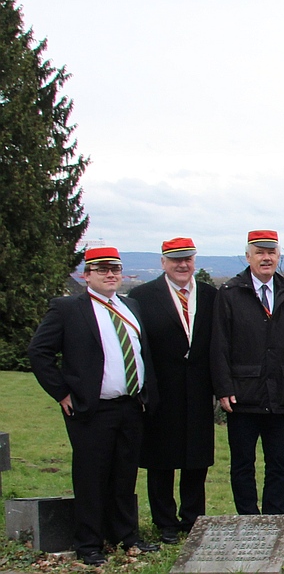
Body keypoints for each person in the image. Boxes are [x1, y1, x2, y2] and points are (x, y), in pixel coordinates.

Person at [28, 247, 160, 566]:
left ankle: (126, 535)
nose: (110, 274)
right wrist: (62, 392)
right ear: (86, 275)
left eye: (114, 269)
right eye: (101, 270)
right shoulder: (68, 308)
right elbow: (39, 353)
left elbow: (140, 353)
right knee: (91, 475)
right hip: (91, 408)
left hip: (131, 406)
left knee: (125, 474)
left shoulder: (131, 306)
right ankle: (89, 542)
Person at [210, 230, 284, 515]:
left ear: (278, 257)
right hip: (243, 394)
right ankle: (247, 516)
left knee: (278, 462)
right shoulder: (230, 293)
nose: (266, 258)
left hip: (280, 393)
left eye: (271, 253)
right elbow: (219, 345)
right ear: (248, 256)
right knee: (242, 462)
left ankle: (275, 516)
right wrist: (223, 388)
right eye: (259, 252)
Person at [129, 237, 216, 544]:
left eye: (187, 259)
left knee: (196, 459)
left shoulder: (209, 295)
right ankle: (165, 521)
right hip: (160, 389)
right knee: (160, 460)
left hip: (199, 390)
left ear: (194, 261)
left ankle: (193, 519)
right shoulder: (141, 296)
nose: (182, 265)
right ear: (163, 262)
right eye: (176, 260)